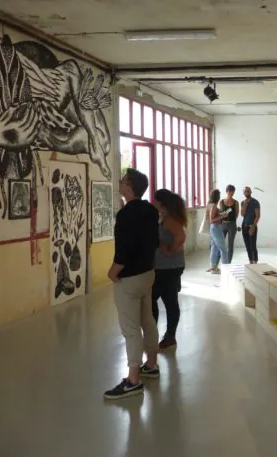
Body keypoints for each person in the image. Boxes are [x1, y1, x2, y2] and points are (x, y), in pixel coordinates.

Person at [105, 168, 161, 400]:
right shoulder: (150, 210)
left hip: (128, 278)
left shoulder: (127, 215)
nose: (119, 182)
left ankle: (133, 380)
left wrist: (113, 271)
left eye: (122, 180)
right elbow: (152, 241)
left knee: (130, 330)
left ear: (129, 187)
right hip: (147, 273)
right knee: (147, 320)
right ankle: (152, 365)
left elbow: (125, 248)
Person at [151, 189, 187, 350]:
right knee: (167, 300)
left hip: (168, 268)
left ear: (161, 202)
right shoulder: (166, 218)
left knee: (163, 300)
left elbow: (181, 237)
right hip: (166, 267)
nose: (153, 203)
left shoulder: (170, 220)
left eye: (155, 200)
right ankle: (165, 335)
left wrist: (170, 250)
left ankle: (167, 335)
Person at [206, 189, 228, 273]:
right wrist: (222, 216)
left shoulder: (209, 204)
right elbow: (212, 219)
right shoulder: (214, 206)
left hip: (212, 228)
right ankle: (226, 269)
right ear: (217, 196)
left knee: (214, 247)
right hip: (216, 227)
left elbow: (208, 218)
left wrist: (220, 215)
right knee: (223, 249)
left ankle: (213, 267)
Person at [240, 186, 261, 264]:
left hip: (252, 226)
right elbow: (242, 214)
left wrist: (253, 226)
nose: (247, 193)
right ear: (243, 193)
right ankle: (250, 261)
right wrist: (245, 205)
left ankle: (255, 262)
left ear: (251, 192)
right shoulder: (243, 202)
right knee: (247, 246)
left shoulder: (255, 202)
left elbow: (258, 215)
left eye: (248, 191)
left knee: (253, 246)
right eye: (245, 191)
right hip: (244, 226)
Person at [219, 185, 239, 263]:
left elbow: (236, 214)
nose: (232, 193)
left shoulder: (236, 202)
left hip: (232, 225)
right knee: (221, 243)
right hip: (223, 224)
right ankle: (222, 260)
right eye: (230, 191)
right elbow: (220, 213)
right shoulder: (221, 202)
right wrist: (223, 218)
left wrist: (232, 221)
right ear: (227, 191)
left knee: (230, 244)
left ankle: (228, 262)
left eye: (233, 191)